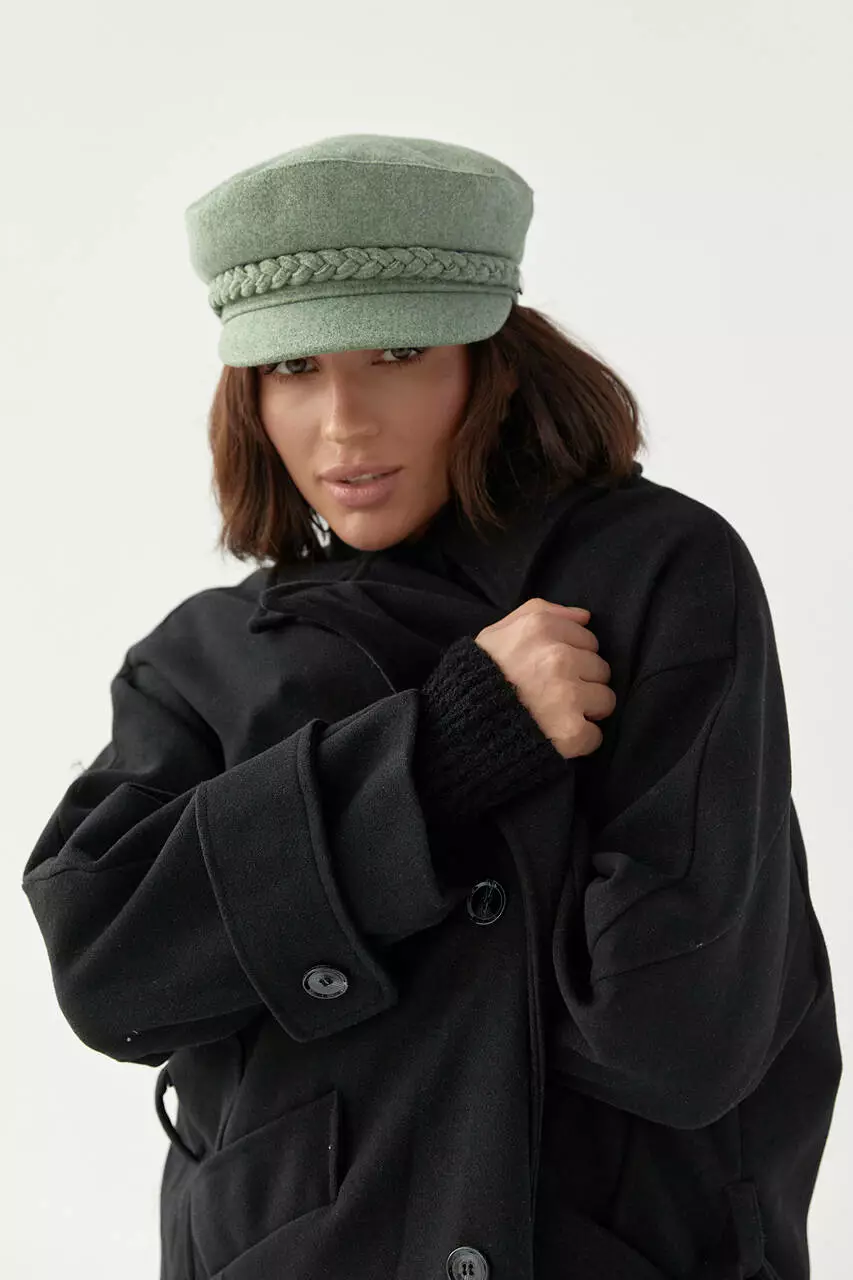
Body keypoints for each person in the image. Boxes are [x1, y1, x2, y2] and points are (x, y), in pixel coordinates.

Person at [21, 133, 841, 1280]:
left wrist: (280, 931)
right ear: (248, 393)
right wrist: (451, 747)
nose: (344, 422)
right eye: (293, 366)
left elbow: (674, 1036)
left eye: (400, 351)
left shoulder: (656, 572)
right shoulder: (200, 659)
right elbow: (111, 974)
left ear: (491, 362)